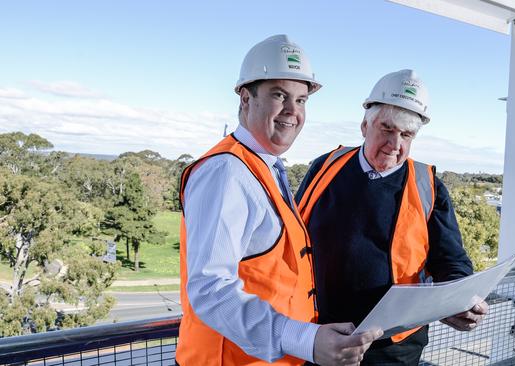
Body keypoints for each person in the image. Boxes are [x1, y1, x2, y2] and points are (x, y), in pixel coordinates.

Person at [175, 34, 381, 366]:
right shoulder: (227, 172)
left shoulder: (264, 168)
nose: (292, 111)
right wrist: (306, 339)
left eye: (301, 100)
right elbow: (211, 290)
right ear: (245, 97)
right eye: (279, 95)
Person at [295, 69, 489, 365]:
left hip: (392, 347)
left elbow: (450, 260)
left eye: (406, 134)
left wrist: (458, 302)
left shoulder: (428, 186)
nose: (395, 143)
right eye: (387, 129)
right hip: (319, 334)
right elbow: (291, 233)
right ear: (364, 125)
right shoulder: (325, 167)